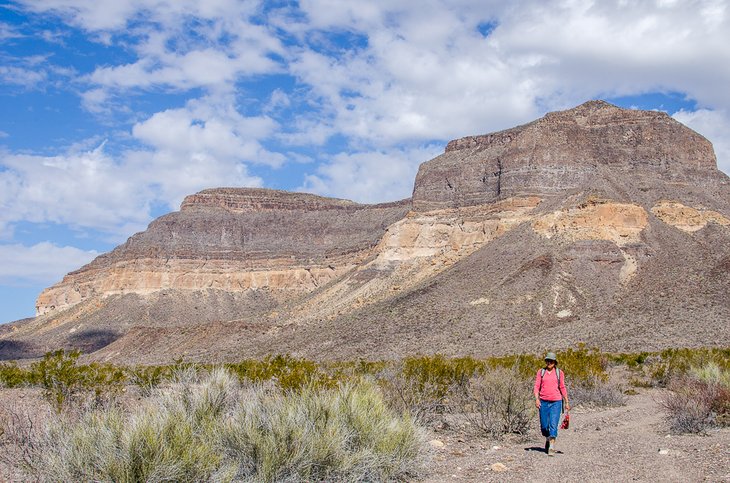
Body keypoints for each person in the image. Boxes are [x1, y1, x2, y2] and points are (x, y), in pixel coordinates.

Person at [533, 352, 570, 456]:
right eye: (547, 361)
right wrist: (537, 399)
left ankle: (552, 447)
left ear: (555, 362)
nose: (549, 363)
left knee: (553, 424)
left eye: (551, 361)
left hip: (556, 402)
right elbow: (536, 386)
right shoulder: (541, 372)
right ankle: (548, 438)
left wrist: (566, 401)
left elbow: (562, 387)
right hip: (543, 402)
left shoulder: (559, 373)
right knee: (544, 426)